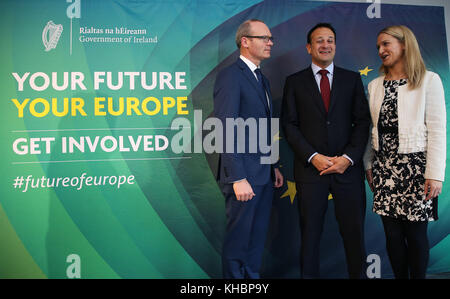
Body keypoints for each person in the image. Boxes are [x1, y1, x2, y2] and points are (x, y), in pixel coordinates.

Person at [281, 23, 370, 278]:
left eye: (330, 40)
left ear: (335, 45)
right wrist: (313, 157)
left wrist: (348, 158)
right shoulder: (294, 82)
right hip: (311, 173)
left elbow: (362, 122)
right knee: (310, 236)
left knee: (354, 236)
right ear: (309, 47)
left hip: (348, 173)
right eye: (319, 41)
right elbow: (290, 125)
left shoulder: (351, 79)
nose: (326, 45)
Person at [364, 25, 446, 279]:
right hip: (384, 169)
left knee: (415, 234)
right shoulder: (375, 85)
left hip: (416, 170)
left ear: (404, 45)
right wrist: (368, 165)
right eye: (378, 46)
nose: (381, 50)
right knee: (392, 235)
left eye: (386, 44)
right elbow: (371, 129)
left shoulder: (429, 80)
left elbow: (437, 130)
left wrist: (435, 174)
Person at [213, 19, 284, 279]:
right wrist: (238, 177)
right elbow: (226, 127)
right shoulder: (231, 76)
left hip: (263, 174)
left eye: (270, 38)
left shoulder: (261, 79)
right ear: (245, 41)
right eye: (264, 38)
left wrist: (273, 164)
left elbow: (264, 126)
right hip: (242, 177)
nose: (270, 43)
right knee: (239, 241)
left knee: (256, 241)